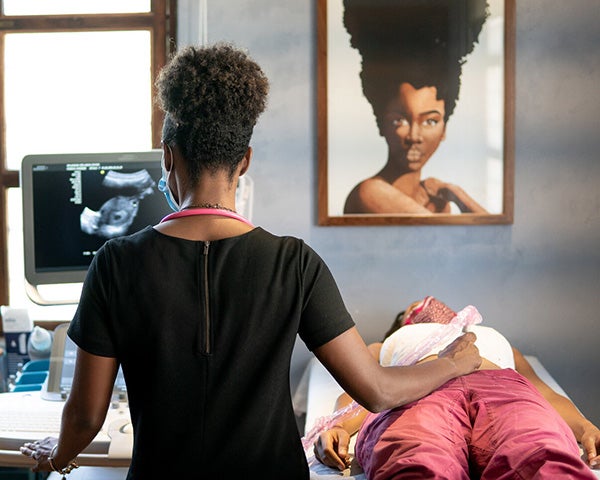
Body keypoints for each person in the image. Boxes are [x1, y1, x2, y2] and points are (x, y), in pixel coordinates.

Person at [18, 44, 483, 480]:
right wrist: (451, 363)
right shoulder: (294, 263)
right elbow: (377, 389)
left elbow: (83, 417)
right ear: (244, 161)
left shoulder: (114, 264)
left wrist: (55, 455)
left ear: (167, 156)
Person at [313, 296, 600, 479]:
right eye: (414, 308)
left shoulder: (496, 341)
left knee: (539, 454)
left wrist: (586, 428)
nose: (428, 303)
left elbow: (544, 392)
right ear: (402, 324)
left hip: (502, 389)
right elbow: (363, 388)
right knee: (416, 462)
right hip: (417, 390)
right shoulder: (386, 343)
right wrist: (340, 425)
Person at [342, 0, 489, 215]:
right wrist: (457, 195)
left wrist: (454, 193)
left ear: (444, 129)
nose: (414, 136)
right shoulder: (369, 192)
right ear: (381, 123)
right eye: (399, 120)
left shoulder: (437, 203)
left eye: (430, 121)